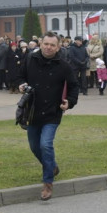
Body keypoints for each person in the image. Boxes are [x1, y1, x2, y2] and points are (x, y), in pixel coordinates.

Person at [12, 31, 79, 200]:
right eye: (46, 44)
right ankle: (52, 167)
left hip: (52, 113)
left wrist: (69, 102)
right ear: (41, 43)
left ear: (58, 47)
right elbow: (19, 76)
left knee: (46, 145)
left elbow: (74, 87)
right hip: (33, 111)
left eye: (52, 45)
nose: (48, 47)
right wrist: (21, 84)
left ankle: (47, 183)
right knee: (35, 147)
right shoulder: (30, 59)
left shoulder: (64, 66)